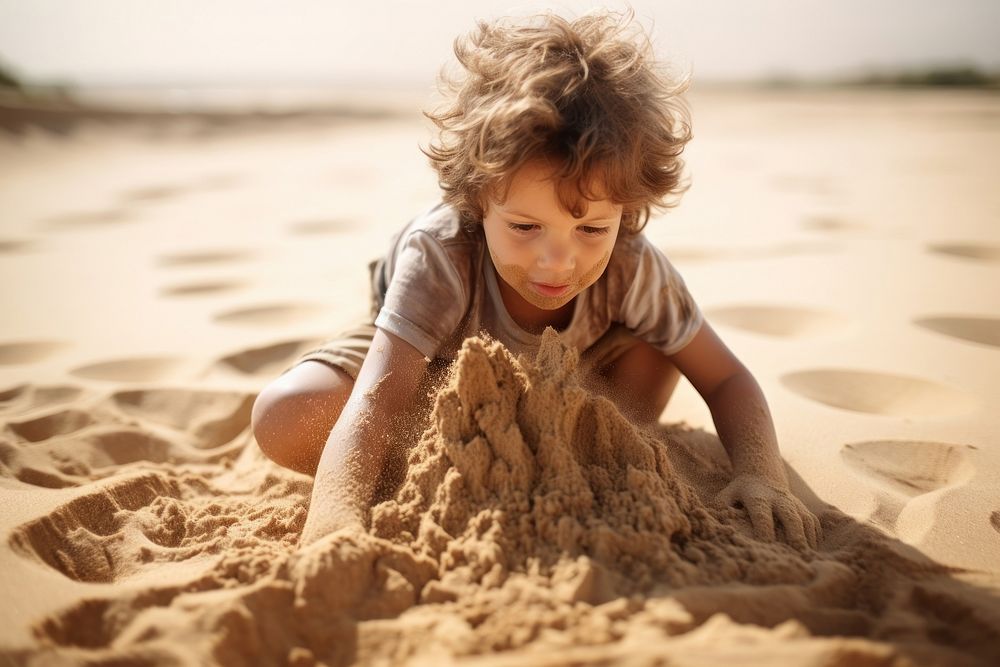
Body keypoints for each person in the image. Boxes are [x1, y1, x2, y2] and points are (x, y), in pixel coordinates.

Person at [251, 8, 821, 550]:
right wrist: (335, 519)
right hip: (432, 358)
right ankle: (449, 442)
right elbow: (376, 402)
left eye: (592, 228)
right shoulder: (441, 255)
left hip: (579, 362)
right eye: (525, 226)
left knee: (664, 343)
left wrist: (762, 477)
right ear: (479, 200)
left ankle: (563, 436)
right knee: (285, 415)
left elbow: (726, 380)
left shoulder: (633, 267)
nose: (558, 262)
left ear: (628, 210)